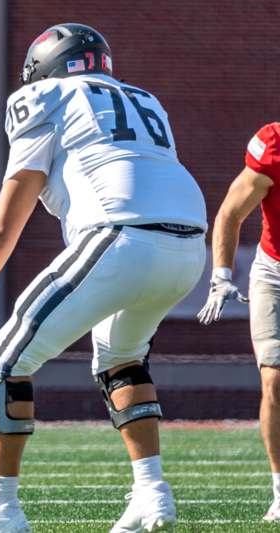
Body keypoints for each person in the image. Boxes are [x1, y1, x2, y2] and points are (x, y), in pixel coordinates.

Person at [0, 23, 207, 533]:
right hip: (188, 242)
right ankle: (152, 493)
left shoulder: (42, 97)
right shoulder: (145, 99)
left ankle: (1, 512)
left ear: (42, 69)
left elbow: (6, 225)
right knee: (121, 359)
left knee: (3, 359)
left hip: (121, 233)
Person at [197, 122, 280, 521]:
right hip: (275, 273)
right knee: (274, 379)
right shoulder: (273, 144)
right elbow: (231, 210)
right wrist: (221, 276)